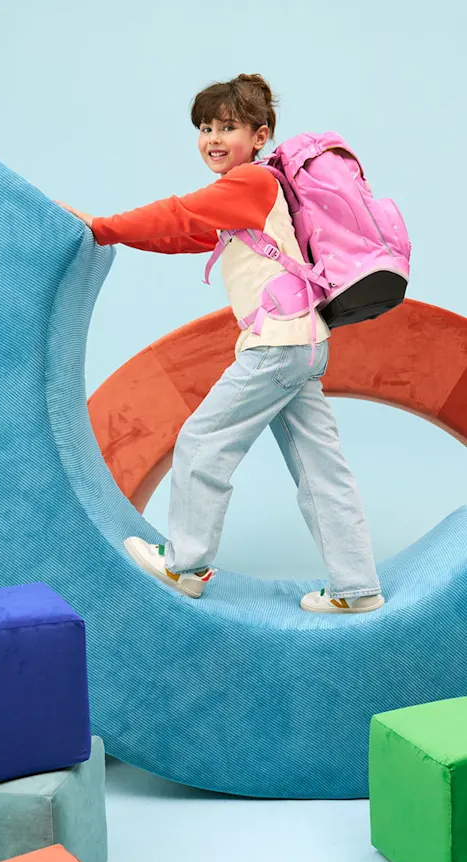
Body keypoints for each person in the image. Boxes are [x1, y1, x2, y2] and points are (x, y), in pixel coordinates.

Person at [59, 73, 384, 614]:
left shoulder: (250, 182)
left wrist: (102, 226)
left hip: (276, 347)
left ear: (259, 136)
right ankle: (357, 587)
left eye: (227, 127)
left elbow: (180, 212)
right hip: (304, 343)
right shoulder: (252, 193)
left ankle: (185, 565)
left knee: (202, 442)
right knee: (321, 469)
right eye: (205, 128)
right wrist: (119, 234)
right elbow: (185, 234)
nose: (213, 138)